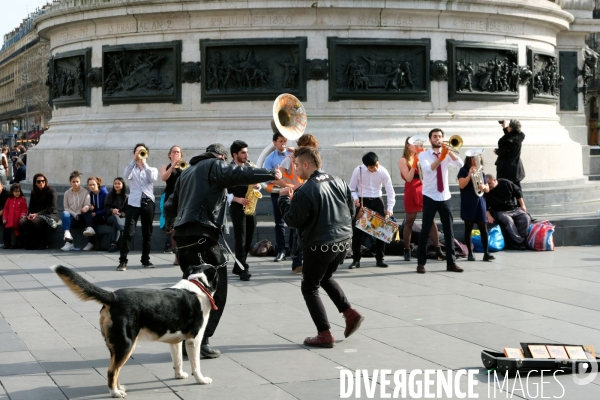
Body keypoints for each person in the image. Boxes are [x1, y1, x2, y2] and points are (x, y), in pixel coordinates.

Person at [164, 143, 282, 359]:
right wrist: (269, 172)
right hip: (203, 237)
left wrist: (173, 225)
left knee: (189, 292)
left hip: (182, 239)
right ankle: (201, 341)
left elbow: (169, 206)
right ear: (221, 156)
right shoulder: (215, 165)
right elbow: (237, 172)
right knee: (215, 292)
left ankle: (184, 340)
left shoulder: (186, 172)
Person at [278, 147, 364, 347]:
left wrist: (283, 198)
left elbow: (292, 220)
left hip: (320, 245)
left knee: (309, 287)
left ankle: (324, 333)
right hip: (343, 242)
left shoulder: (306, 189)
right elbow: (352, 211)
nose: (296, 169)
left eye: (297, 165)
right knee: (324, 277)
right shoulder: (339, 181)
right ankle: (350, 313)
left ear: (307, 164)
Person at [416, 129, 464, 274]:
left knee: (449, 230)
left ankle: (451, 262)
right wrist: (441, 157)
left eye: (440, 136)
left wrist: (448, 153)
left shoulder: (446, 153)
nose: (438, 139)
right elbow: (429, 169)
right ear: (430, 139)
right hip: (430, 196)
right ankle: (421, 263)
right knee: (425, 230)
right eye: (435, 136)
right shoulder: (423, 154)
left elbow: (461, 164)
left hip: (445, 196)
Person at [398, 137, 445, 261]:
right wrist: (414, 164)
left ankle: (438, 249)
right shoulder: (403, 160)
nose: (417, 145)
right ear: (408, 146)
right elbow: (408, 178)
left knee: (431, 220)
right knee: (410, 221)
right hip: (412, 189)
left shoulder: (424, 156)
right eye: (414, 144)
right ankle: (407, 249)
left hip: (425, 189)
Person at [278, 133, 319, 274]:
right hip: (295, 194)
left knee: (301, 230)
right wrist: (292, 187)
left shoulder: (305, 159)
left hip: (305, 194)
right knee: (297, 231)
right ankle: (296, 263)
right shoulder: (289, 159)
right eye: (309, 147)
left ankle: (299, 260)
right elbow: (278, 178)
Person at [347, 152, 395, 269]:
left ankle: (380, 258)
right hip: (363, 202)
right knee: (357, 231)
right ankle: (356, 259)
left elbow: (390, 190)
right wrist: (355, 198)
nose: (375, 168)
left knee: (380, 231)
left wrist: (389, 208)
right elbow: (351, 188)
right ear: (366, 166)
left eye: (377, 165)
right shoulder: (358, 170)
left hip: (377, 201)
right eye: (372, 167)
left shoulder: (383, 171)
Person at [118, 143, 159, 271]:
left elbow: (152, 178)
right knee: (128, 232)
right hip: (133, 202)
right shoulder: (132, 169)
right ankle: (123, 260)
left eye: (142, 152)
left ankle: (145, 259)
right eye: (137, 151)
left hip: (148, 201)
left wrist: (144, 164)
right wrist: (134, 160)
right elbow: (125, 175)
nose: (140, 154)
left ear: (147, 154)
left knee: (147, 232)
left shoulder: (152, 169)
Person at [227, 140, 258, 281]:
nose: (246, 155)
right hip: (237, 206)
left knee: (249, 237)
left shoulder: (250, 166)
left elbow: (259, 182)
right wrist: (237, 199)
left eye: (247, 152)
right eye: (243, 153)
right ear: (235, 155)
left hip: (250, 205)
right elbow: (222, 192)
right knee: (241, 239)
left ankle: (237, 266)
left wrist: (257, 186)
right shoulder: (227, 170)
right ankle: (243, 268)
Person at [263, 128, 294, 262]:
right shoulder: (270, 158)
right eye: (280, 141)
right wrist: (284, 183)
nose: (283, 144)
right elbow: (269, 178)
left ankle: (294, 249)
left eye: (285, 141)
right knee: (279, 223)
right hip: (277, 192)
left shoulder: (292, 155)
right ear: (274, 142)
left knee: (294, 221)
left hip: (292, 192)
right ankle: (281, 250)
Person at [457, 155, 495, 262]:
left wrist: (484, 187)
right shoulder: (463, 170)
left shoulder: (481, 172)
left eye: (477, 159)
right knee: (468, 227)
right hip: (469, 202)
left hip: (480, 202)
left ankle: (486, 253)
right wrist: (469, 175)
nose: (475, 161)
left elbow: (487, 189)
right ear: (469, 160)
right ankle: (470, 253)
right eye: (473, 159)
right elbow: (461, 185)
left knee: (483, 226)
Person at [484, 174, 530, 249]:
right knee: (508, 221)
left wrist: (522, 205)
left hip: (514, 209)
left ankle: (519, 239)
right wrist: (489, 216)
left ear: (495, 180)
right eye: (486, 184)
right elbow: (484, 205)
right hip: (501, 211)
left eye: (490, 183)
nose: (488, 186)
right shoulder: (486, 190)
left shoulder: (505, 183)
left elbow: (518, 192)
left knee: (525, 218)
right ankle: (520, 242)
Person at [18, 173, 59, 250]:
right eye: (38, 181)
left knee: (36, 220)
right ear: (35, 183)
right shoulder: (34, 192)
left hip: (50, 215)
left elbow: (51, 208)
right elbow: (31, 206)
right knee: (22, 221)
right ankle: (30, 242)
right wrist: (29, 214)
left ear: (45, 181)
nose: (41, 183)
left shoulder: (51, 191)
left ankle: (43, 242)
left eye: (43, 181)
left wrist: (37, 214)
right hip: (36, 214)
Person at [160, 145, 183, 265]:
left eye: (178, 152)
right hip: (170, 200)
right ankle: (176, 255)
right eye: (174, 152)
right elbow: (164, 178)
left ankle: (180, 255)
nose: (176, 154)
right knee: (171, 229)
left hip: (182, 199)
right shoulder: (166, 166)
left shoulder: (185, 166)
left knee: (180, 228)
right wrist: (172, 166)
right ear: (170, 154)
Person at [61, 171, 93, 251]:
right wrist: (74, 214)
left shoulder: (85, 192)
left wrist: (85, 208)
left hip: (82, 217)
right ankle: (68, 241)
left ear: (80, 182)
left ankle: (90, 238)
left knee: (87, 213)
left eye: (77, 182)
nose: (75, 184)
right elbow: (66, 207)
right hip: (72, 217)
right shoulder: (67, 193)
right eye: (73, 182)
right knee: (65, 215)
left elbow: (87, 204)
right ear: (70, 182)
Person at [495, 119, 525, 188]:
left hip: (506, 168)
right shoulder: (519, 137)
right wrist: (504, 128)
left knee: (506, 187)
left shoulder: (509, 141)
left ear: (511, 128)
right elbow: (511, 136)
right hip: (516, 167)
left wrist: (497, 151)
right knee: (517, 188)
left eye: (509, 126)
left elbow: (504, 151)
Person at [84, 176, 108, 251]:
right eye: (90, 185)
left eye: (93, 184)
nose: (92, 186)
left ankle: (90, 243)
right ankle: (90, 229)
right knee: (86, 212)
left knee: (90, 220)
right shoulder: (90, 195)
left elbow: (107, 208)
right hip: (95, 215)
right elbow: (93, 207)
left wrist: (97, 213)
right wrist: (92, 208)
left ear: (98, 184)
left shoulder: (105, 193)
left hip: (103, 216)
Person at [104, 177, 128, 253]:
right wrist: (112, 210)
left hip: (122, 217)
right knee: (115, 218)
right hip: (110, 217)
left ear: (123, 185)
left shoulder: (126, 197)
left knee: (116, 223)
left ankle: (113, 244)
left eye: (118, 183)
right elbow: (106, 208)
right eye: (115, 184)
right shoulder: (109, 195)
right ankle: (123, 231)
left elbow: (127, 211)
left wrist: (119, 213)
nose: (116, 185)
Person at [2, 183, 27, 249]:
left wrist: (23, 215)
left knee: (17, 232)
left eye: (18, 191)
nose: (17, 193)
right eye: (15, 191)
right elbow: (6, 209)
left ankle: (17, 243)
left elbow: (24, 209)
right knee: (7, 231)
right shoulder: (9, 200)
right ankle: (7, 243)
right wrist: (4, 218)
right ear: (12, 192)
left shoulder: (22, 200)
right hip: (9, 220)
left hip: (17, 219)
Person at [0, 181, 8, 247]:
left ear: (2, 186)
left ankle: (4, 241)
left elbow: (7, 206)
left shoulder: (7, 194)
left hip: (5, 213)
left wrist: (2, 211)